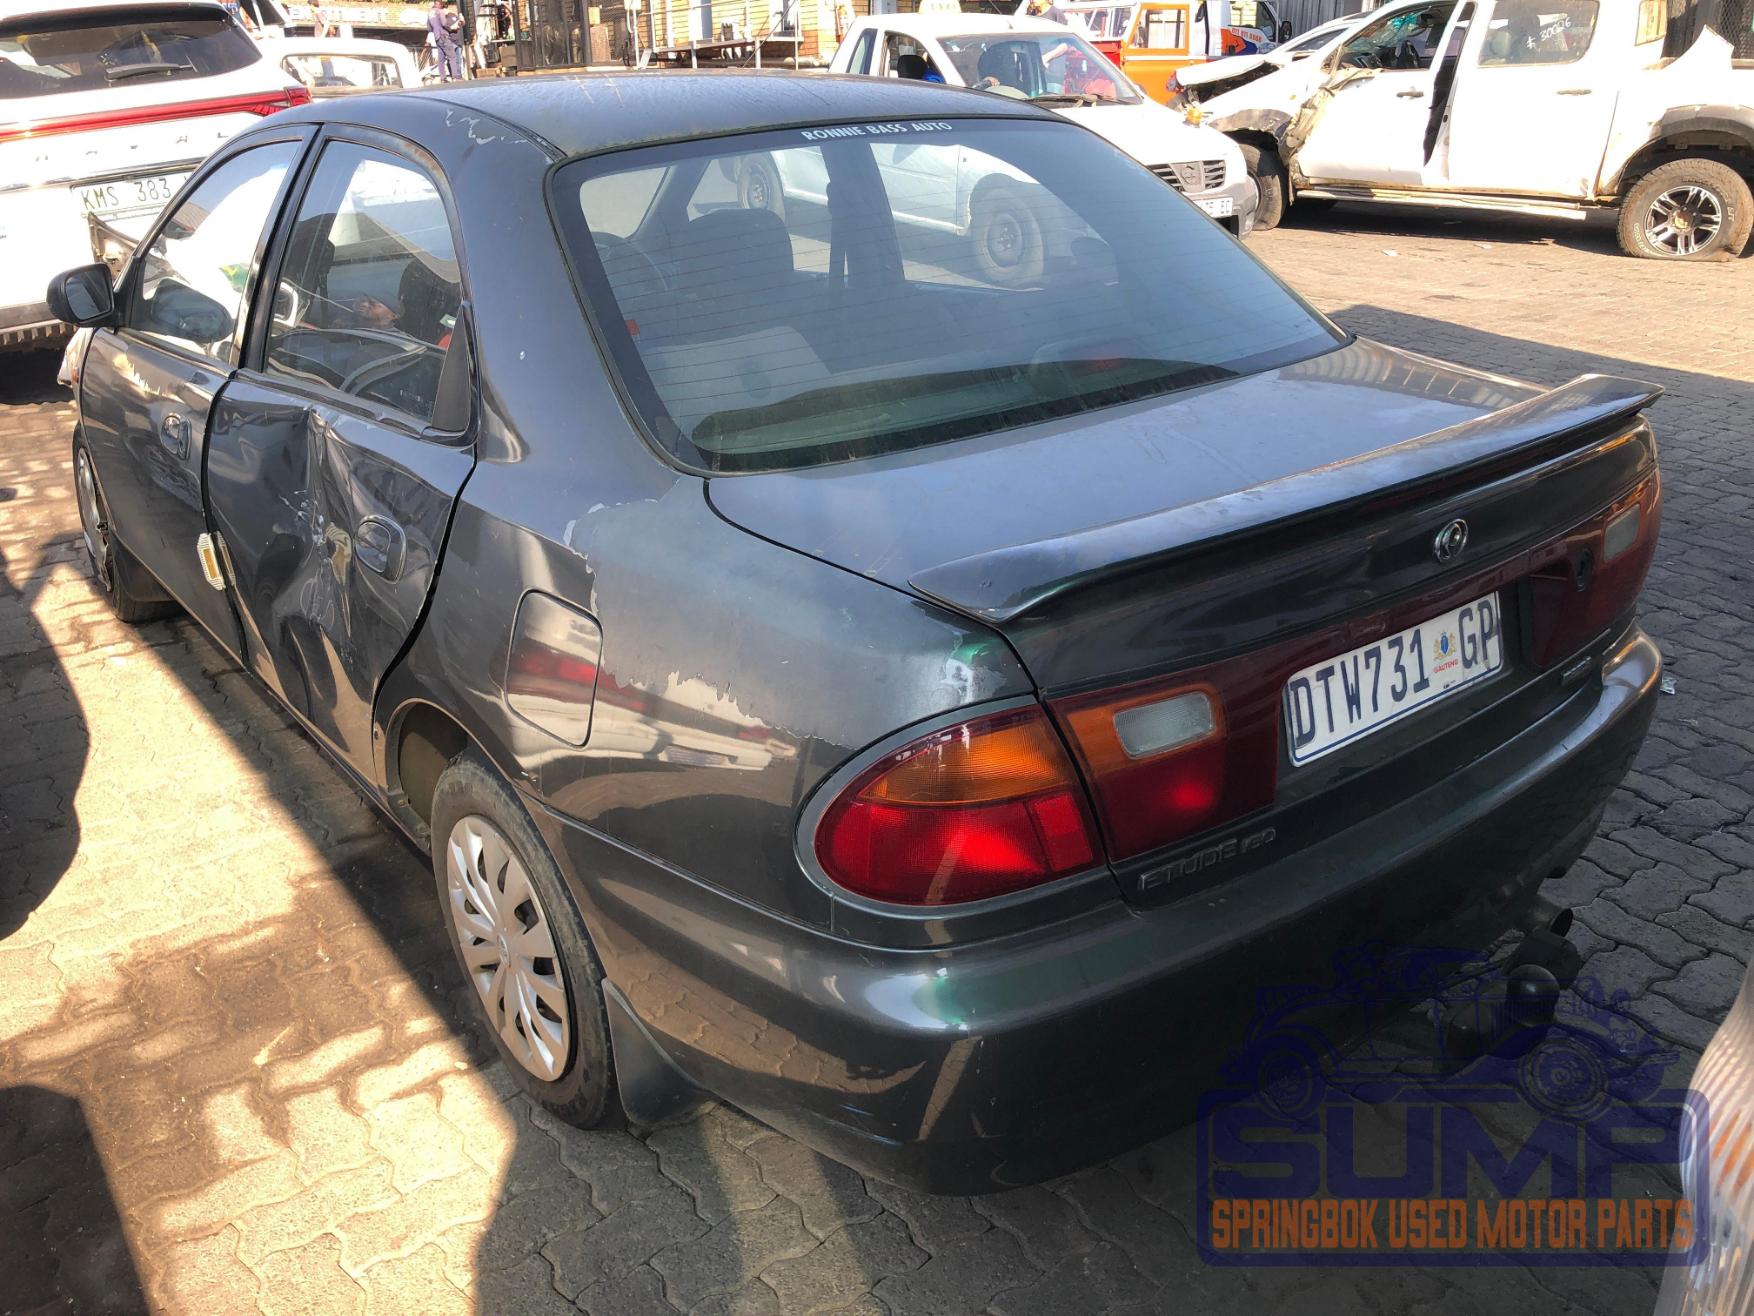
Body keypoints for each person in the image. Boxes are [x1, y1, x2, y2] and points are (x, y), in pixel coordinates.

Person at [428, 0, 464, 80]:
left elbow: (429, 28)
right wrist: (450, 28)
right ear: (440, 5)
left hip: (437, 38)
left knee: (441, 59)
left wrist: (436, 29)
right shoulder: (440, 12)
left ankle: (443, 78)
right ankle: (455, 77)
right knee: (452, 57)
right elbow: (444, 24)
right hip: (444, 36)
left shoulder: (430, 14)